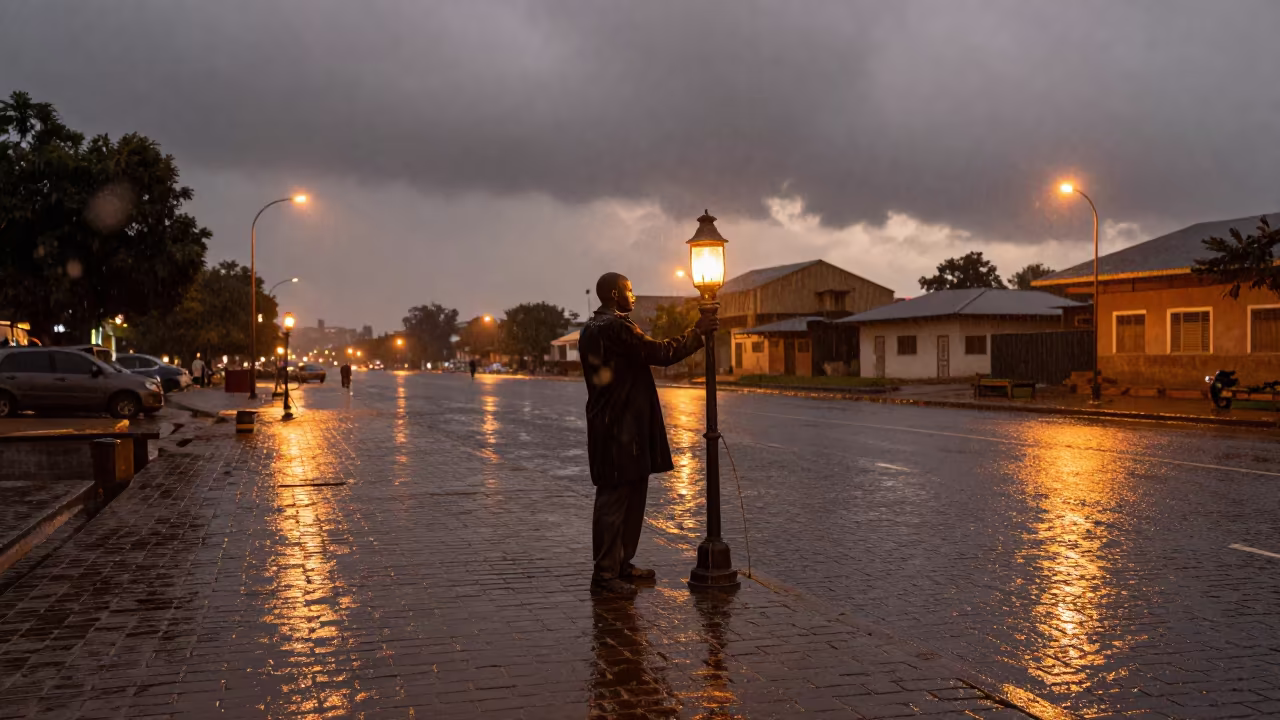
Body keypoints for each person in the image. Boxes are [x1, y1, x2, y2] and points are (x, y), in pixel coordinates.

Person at [579, 272, 715, 596]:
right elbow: (661, 353)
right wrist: (697, 334)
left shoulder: (590, 329)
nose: (634, 296)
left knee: (630, 497)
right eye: (629, 290)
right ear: (614, 294)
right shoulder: (615, 327)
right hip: (620, 429)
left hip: (618, 427)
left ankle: (621, 564)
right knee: (615, 500)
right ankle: (605, 574)